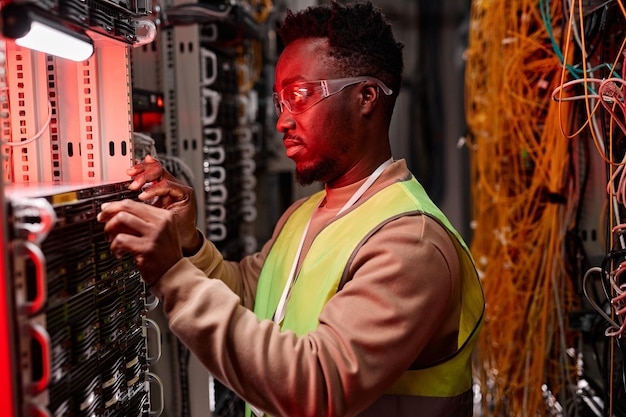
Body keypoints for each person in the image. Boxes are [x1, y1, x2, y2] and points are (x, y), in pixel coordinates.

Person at [98, 1, 485, 416]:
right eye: (280, 101)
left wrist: (171, 273)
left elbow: (315, 385)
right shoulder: (305, 214)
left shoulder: (410, 242)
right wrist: (188, 244)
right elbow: (253, 300)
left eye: (299, 95)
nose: (282, 121)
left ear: (366, 97)